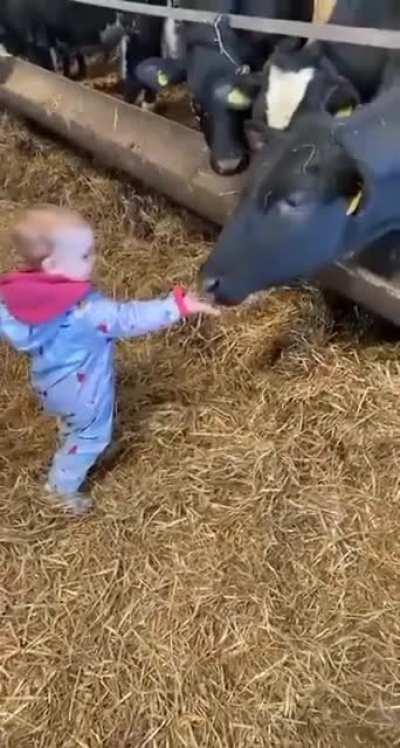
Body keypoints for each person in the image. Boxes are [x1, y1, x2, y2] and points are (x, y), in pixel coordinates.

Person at [0, 205, 218, 515]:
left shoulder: (22, 297)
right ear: (52, 264)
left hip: (50, 383)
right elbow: (129, 318)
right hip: (84, 391)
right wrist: (178, 306)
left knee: (74, 424)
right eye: (86, 255)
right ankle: (59, 490)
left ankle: (71, 438)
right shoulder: (86, 311)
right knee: (91, 436)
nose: (94, 259)